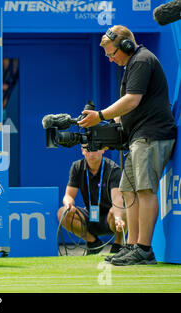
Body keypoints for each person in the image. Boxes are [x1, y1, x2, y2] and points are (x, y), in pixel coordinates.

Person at [79, 25, 176, 265]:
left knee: (144, 190)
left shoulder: (142, 60)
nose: (110, 59)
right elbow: (126, 108)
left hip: (151, 135)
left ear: (127, 46)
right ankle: (132, 245)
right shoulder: (133, 64)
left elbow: (132, 100)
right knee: (129, 190)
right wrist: (110, 122)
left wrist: (100, 116)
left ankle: (144, 248)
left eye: (112, 53)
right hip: (138, 137)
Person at [58, 146, 126, 255]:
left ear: (103, 149)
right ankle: (92, 242)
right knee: (62, 212)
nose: (91, 154)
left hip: (110, 219)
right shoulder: (77, 167)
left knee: (122, 211)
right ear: (82, 151)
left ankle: (118, 243)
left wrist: (118, 217)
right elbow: (68, 195)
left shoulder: (113, 169)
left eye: (95, 149)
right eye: (87, 150)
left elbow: (117, 199)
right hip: (90, 215)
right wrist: (68, 203)